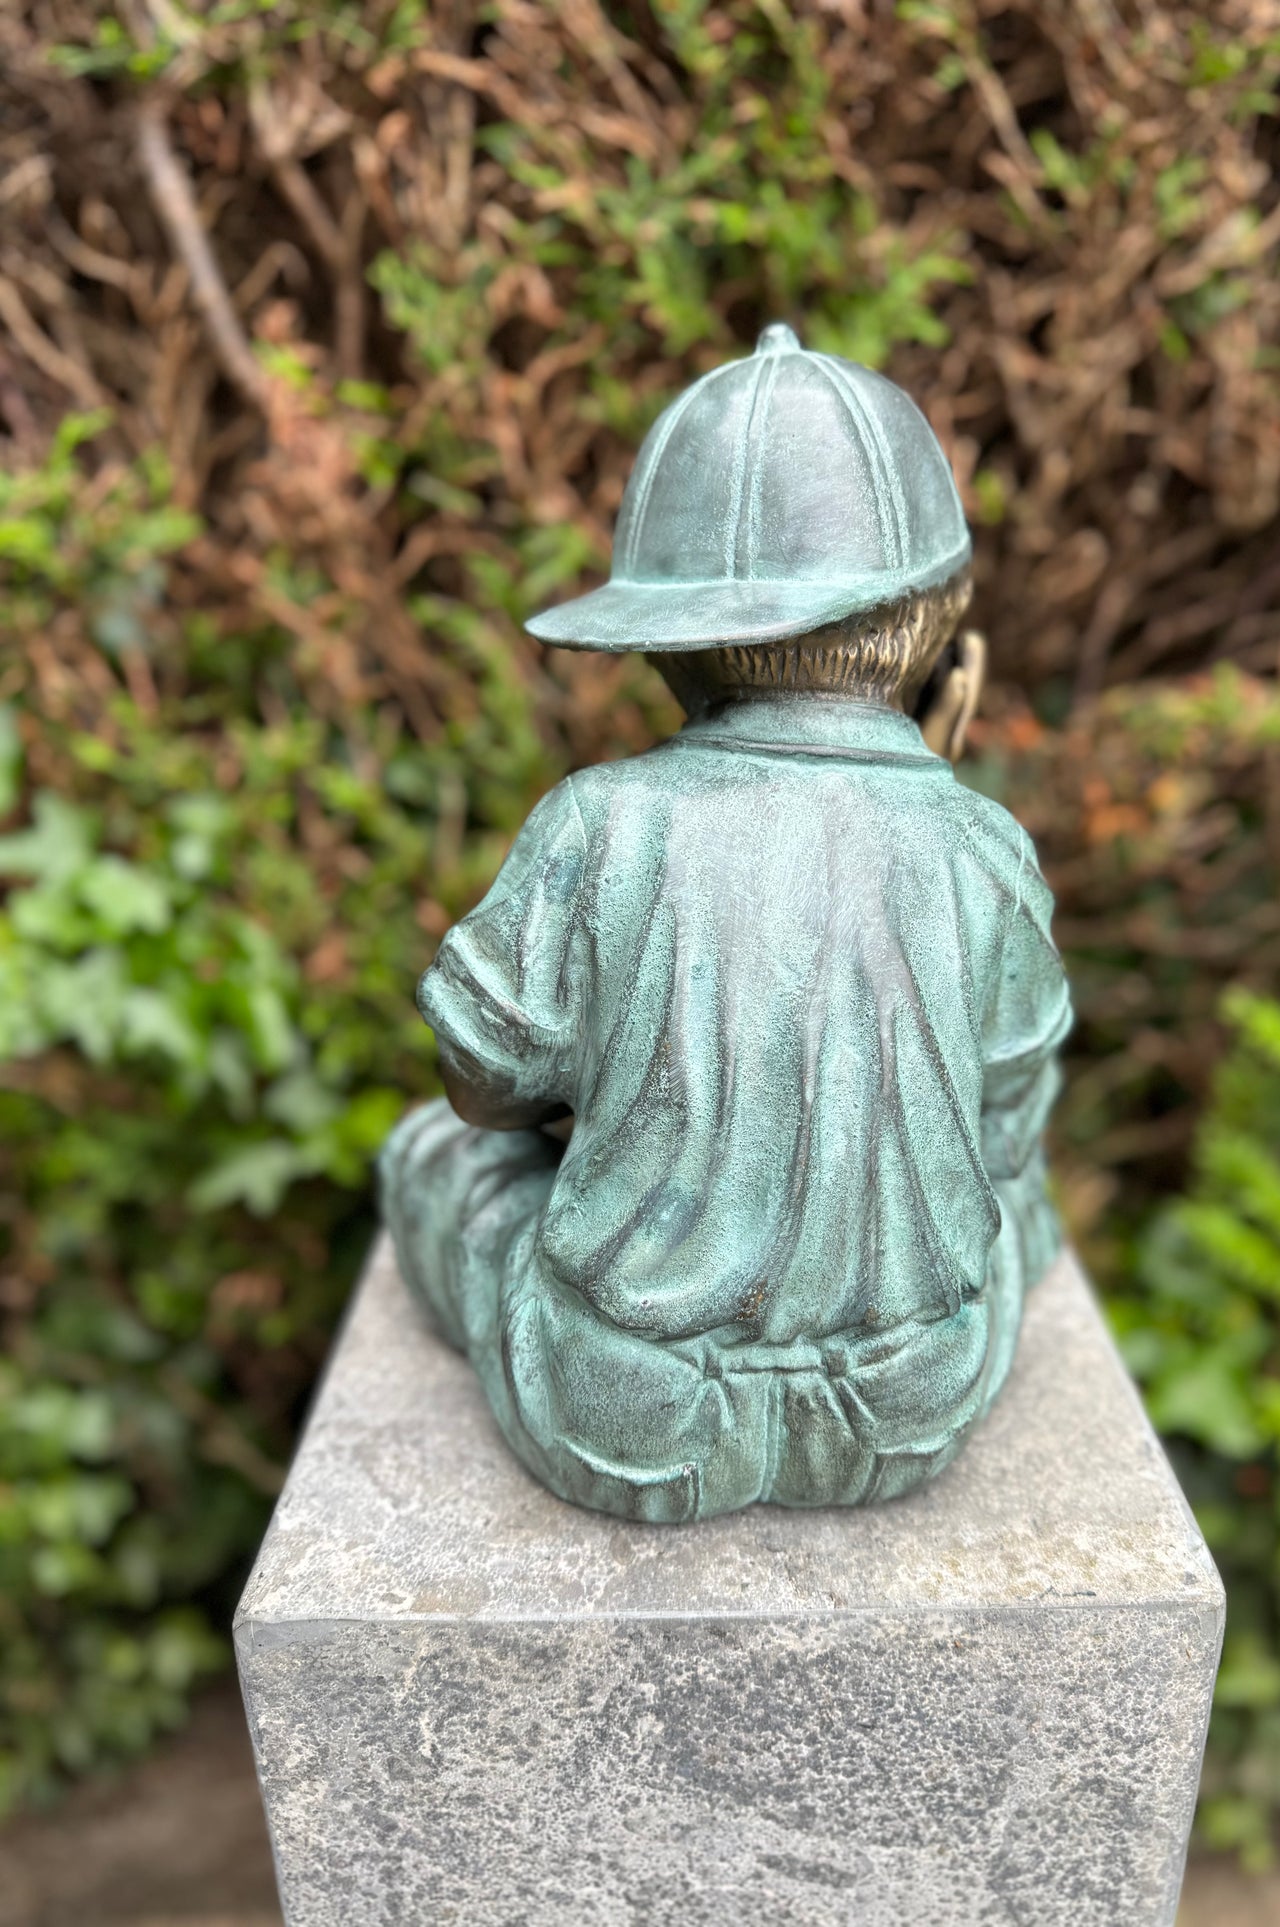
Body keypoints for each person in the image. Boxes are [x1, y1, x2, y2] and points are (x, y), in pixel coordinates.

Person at [380, 324, 1071, 1522]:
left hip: (626, 1413)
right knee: (1020, 1212)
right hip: (906, 1408)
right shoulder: (981, 847)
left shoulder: (600, 824)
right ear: (935, 636)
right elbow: (1006, 1120)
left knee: (430, 1163)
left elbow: (477, 1080)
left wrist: (603, 1105)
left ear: (666, 640)